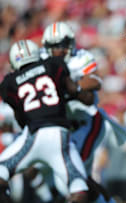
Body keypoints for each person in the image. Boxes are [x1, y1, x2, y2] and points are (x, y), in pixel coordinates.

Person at [40, 21, 126, 202]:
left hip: (87, 123)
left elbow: (93, 83)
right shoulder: (40, 60)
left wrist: (68, 88)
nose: (60, 50)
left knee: (72, 175)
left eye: (63, 44)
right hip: (61, 127)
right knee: (73, 176)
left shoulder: (81, 58)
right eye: (55, 46)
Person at [0, 39, 93, 203]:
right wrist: (82, 95)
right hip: (60, 135)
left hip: (33, 135)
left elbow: (20, 118)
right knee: (79, 189)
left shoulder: (10, 82)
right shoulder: (53, 65)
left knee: (1, 173)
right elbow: (74, 90)